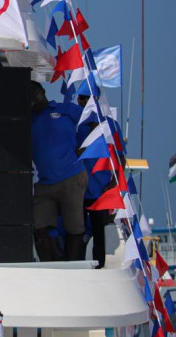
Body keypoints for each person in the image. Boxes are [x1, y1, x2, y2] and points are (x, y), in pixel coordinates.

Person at [31, 81, 88, 262]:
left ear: (43, 91)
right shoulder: (27, 119)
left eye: (33, 92)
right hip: (45, 182)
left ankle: (73, 266)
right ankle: (51, 265)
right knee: (38, 225)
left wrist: (83, 148)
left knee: (74, 228)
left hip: (71, 177)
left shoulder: (66, 109)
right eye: (26, 94)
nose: (31, 97)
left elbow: (94, 123)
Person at [77, 92, 123, 269]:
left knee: (99, 232)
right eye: (81, 97)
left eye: (87, 97)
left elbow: (120, 157)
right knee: (76, 231)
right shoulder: (76, 123)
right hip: (78, 188)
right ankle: (77, 264)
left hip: (101, 188)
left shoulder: (110, 125)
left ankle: (99, 266)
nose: (83, 100)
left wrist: (113, 184)